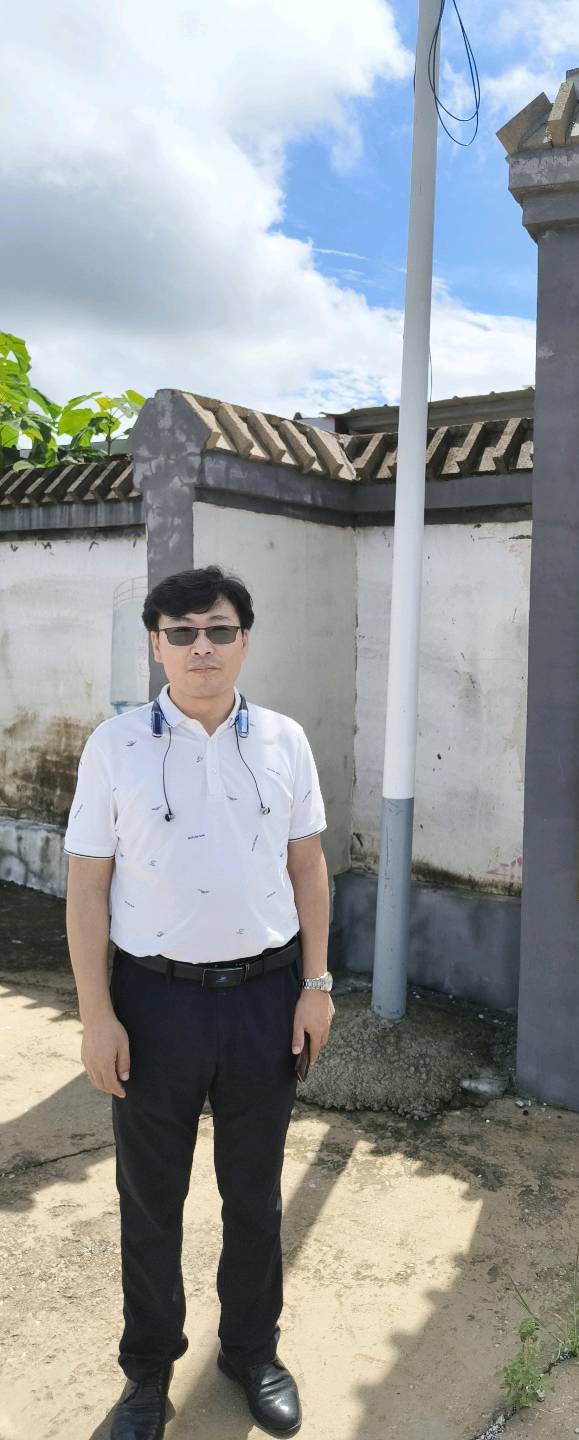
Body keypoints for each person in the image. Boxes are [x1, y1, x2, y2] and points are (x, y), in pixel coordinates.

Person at [64, 566, 335, 1440]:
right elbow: (87, 888)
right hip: (155, 1003)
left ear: (244, 640)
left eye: (219, 630)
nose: (201, 648)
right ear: (157, 645)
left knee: (253, 1195)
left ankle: (252, 1351)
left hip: (265, 997)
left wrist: (316, 985)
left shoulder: (285, 740)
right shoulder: (115, 747)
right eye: (181, 633)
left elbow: (307, 867)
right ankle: (147, 1372)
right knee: (151, 1200)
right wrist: (97, 1015)